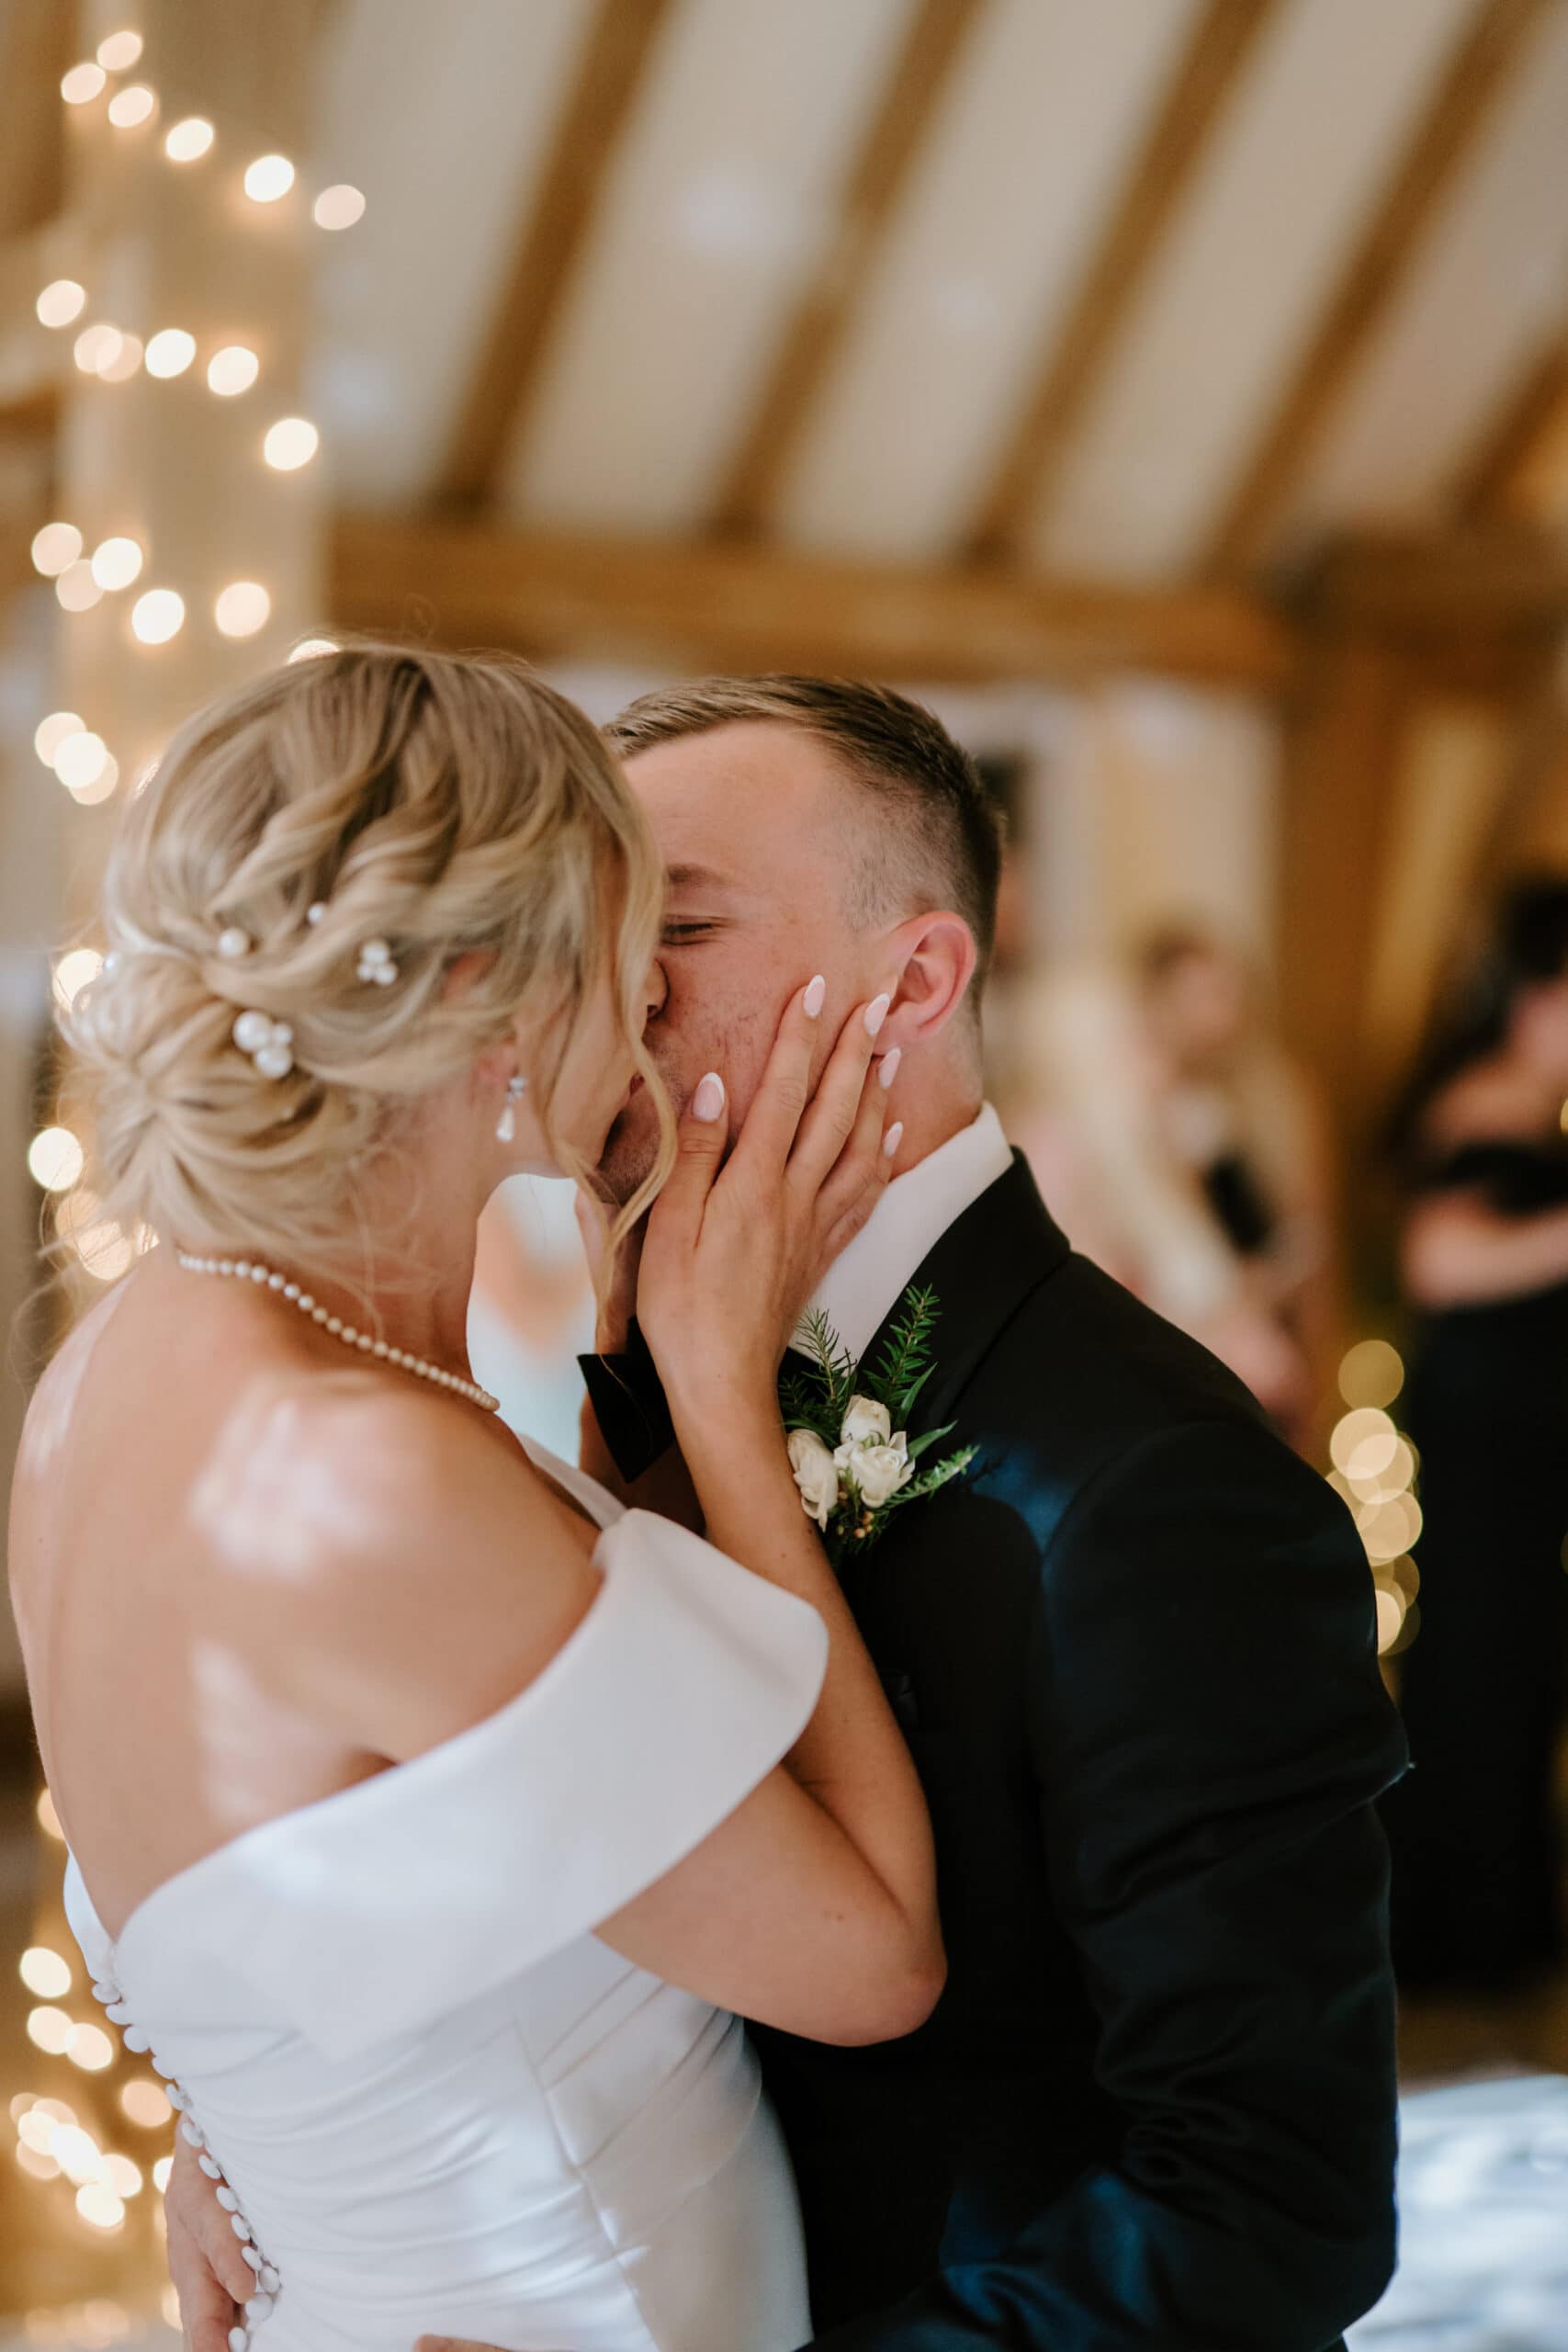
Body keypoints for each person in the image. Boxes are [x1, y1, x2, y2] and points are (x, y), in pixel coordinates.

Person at [173, 674, 1407, 2350]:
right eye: (579, 933)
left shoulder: (1158, 1496)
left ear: (911, 982)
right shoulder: (608, 1393)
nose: (594, 995)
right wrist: (330, 2118)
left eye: (672, 930)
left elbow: (1262, 2203)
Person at [9, 647, 946, 2352]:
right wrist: (721, 1393)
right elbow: (872, 1957)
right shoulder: (363, 1474)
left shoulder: (119, 1365)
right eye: (633, 952)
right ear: (510, 1010)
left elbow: (290, 1880)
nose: (651, 1019)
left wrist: (243, 2151)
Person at [1382, 877, 1568, 1993]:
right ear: (1537, 996)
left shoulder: (1526, 1106)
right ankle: (1465, 1935)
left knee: (1521, 1666)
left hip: (1520, 1440)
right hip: (1483, 1435)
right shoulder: (1487, 1102)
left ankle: (1506, 1921)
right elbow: (1436, 1261)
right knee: (1482, 1668)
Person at [1006, 927, 1336, 1449]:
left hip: (1242, 1394)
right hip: (1172, 1406)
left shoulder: (1209, 1123)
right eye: (1134, 1041)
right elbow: (1105, 1309)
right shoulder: (1062, 1148)